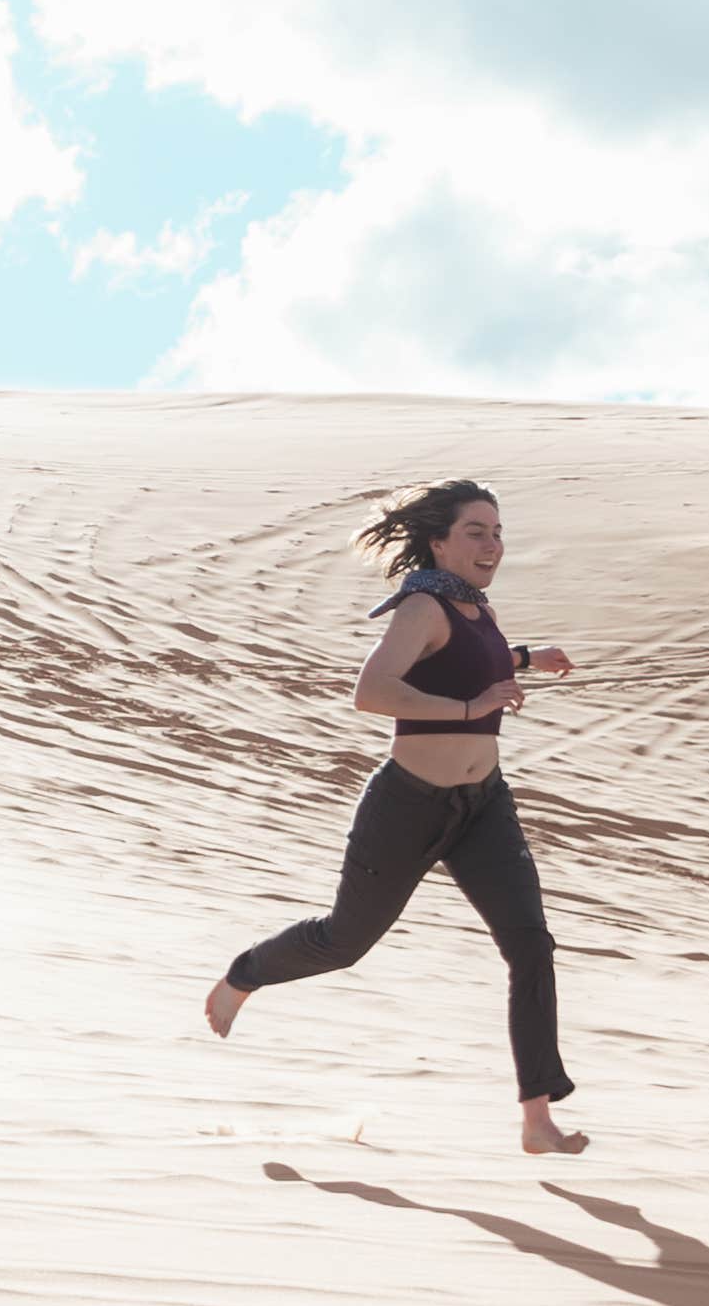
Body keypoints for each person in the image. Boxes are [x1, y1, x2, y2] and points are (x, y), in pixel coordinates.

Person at [203, 479, 586, 1154]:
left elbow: (471, 660)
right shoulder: (421, 606)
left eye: (497, 531)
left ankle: (536, 1118)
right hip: (408, 804)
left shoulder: (475, 606)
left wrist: (527, 656)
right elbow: (372, 691)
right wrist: (470, 709)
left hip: (483, 803)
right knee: (344, 940)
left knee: (529, 944)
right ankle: (246, 973)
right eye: (475, 531)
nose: (491, 544)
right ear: (438, 542)